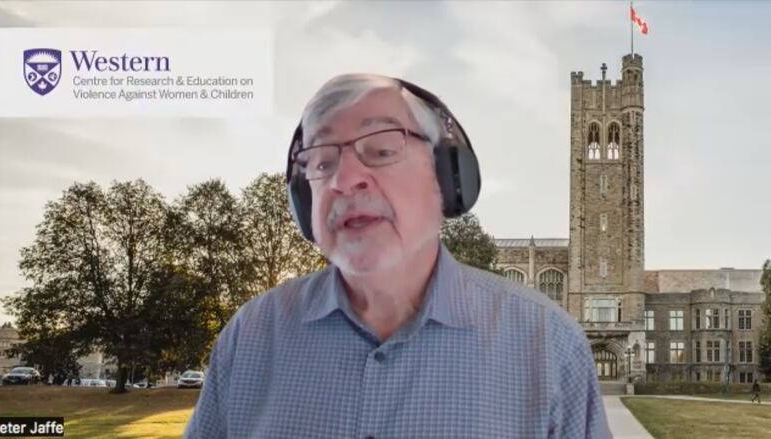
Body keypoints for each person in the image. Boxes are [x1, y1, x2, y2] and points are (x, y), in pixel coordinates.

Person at [185, 74, 611, 438]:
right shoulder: (250, 337)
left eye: (383, 150)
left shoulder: (549, 344)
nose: (346, 180)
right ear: (302, 200)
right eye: (322, 161)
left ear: (447, 177)